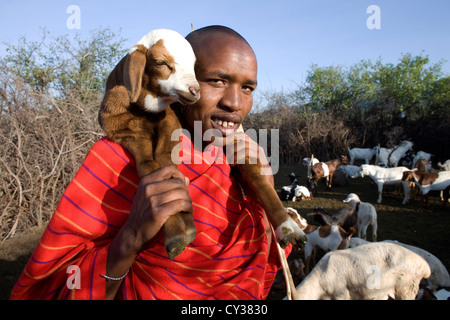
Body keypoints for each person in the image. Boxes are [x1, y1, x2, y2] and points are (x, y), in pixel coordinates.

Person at [10, 25, 290, 300]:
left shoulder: (235, 166)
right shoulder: (120, 159)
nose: (234, 102)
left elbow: (258, 271)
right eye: (216, 81)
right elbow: (56, 285)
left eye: (247, 88)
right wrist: (131, 237)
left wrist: (263, 186)